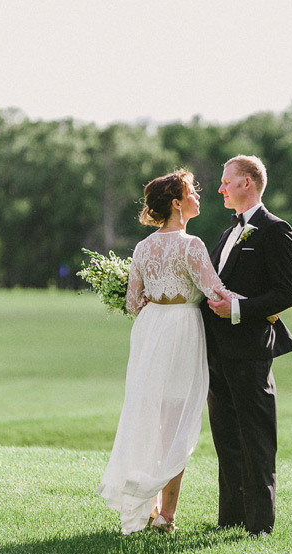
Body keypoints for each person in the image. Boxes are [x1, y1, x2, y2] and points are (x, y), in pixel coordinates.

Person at [97, 168, 235, 534]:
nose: (199, 196)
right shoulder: (192, 245)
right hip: (182, 329)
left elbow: (132, 302)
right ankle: (166, 516)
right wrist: (254, 306)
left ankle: (148, 507)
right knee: (178, 417)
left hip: (150, 329)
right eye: (193, 191)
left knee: (150, 413)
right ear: (177, 203)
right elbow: (215, 291)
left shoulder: (143, 248)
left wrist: (155, 308)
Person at [200, 155, 292, 537]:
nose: (221, 189)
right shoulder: (227, 234)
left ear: (247, 182)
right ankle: (231, 519)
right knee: (226, 436)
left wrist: (237, 309)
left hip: (251, 350)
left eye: (226, 182)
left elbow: (287, 293)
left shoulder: (276, 230)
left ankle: (260, 525)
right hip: (217, 352)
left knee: (256, 438)